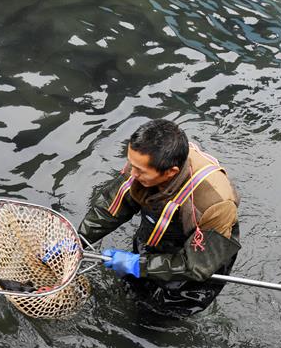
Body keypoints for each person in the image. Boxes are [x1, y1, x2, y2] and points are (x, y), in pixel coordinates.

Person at [77, 119, 241, 317]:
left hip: (200, 253)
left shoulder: (214, 204)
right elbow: (111, 208)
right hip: (160, 227)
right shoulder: (141, 165)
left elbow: (196, 266)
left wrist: (139, 265)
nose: (131, 172)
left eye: (139, 170)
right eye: (131, 163)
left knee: (158, 315)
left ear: (170, 172)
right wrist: (77, 241)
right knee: (133, 289)